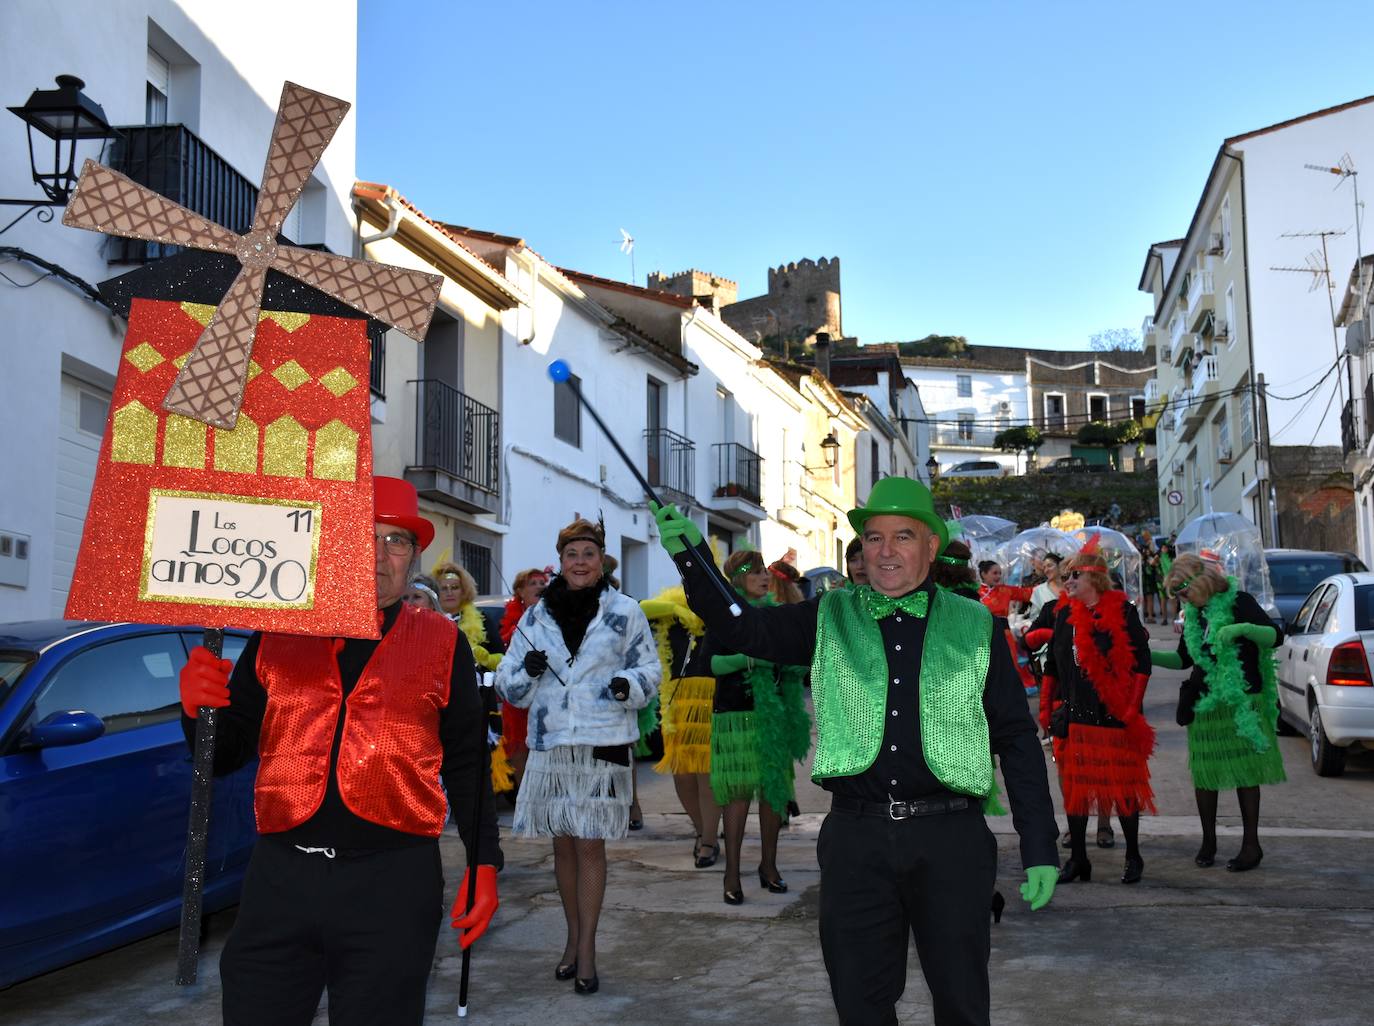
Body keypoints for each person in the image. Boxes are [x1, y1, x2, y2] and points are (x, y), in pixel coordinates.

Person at [653, 477, 1058, 1026]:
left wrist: (1039, 844)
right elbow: (744, 629)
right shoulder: (827, 614)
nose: (885, 551)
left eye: (902, 536)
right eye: (873, 537)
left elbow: (1015, 738)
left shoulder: (977, 625)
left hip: (952, 839)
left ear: (931, 547)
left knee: (962, 1004)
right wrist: (693, 558)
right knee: (859, 1004)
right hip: (855, 839)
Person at [176, 476, 501, 1026]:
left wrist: (483, 861)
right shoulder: (278, 631)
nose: (378, 554)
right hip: (281, 879)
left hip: (393, 883)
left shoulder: (443, 641)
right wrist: (197, 711)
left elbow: (467, 762)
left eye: (396, 541)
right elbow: (223, 756)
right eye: (363, 536)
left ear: (413, 557)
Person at [494, 516, 660, 995]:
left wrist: (627, 685)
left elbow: (650, 669)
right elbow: (508, 682)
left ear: (601, 560)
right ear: (561, 561)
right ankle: (571, 938)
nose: (581, 562)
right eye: (572, 555)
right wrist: (526, 671)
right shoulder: (536, 616)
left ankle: (586, 948)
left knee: (590, 844)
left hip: (602, 741)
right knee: (563, 846)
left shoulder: (625, 610)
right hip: (551, 745)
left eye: (589, 554)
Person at [1152, 554, 1285, 871]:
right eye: (1179, 596)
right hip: (1206, 703)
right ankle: (1208, 841)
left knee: (1246, 774)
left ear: (1199, 582)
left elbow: (1275, 636)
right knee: (1205, 774)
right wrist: (1148, 655)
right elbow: (1184, 659)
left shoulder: (1239, 602)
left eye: (1184, 592)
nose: (1183, 600)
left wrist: (1244, 629)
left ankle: (1251, 845)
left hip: (1242, 702)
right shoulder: (1193, 615)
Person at [1039, 546, 1155, 886]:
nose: (1067, 580)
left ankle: (1133, 855)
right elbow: (1052, 666)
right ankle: (1078, 859)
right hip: (1076, 717)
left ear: (1096, 577)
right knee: (1076, 791)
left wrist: (1130, 709)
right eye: (1065, 575)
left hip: (1114, 718)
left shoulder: (1123, 613)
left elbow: (1142, 663)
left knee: (1124, 792)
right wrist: (1046, 709)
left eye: (1074, 574)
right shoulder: (1064, 615)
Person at [706, 550, 811, 904]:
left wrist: (794, 665)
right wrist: (750, 658)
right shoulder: (726, 615)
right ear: (738, 579)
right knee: (737, 797)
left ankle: (769, 865)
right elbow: (711, 664)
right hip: (736, 717)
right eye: (754, 571)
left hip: (774, 718)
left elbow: (795, 657)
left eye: (765, 571)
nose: (764, 576)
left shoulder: (777, 615)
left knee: (773, 795)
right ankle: (732, 873)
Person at [642, 585, 719, 867]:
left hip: (711, 697)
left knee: (707, 773)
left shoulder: (719, 606)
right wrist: (676, 609)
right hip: (677, 702)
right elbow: (640, 608)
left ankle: (709, 840)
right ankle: (701, 830)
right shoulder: (670, 610)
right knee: (683, 776)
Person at [497, 567, 549, 794]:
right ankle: (524, 798)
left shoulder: (552, 616)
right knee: (520, 753)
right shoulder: (515, 623)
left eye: (542, 583)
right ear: (520, 591)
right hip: (519, 701)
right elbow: (507, 650)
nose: (539, 587)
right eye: (533, 583)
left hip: (546, 697)